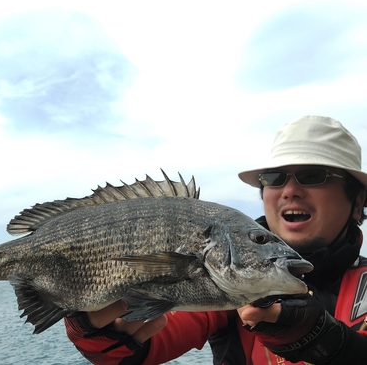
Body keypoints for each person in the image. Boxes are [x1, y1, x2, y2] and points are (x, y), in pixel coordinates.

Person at [64, 115, 367, 365]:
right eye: (274, 178)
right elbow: (139, 349)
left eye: (313, 175)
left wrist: (330, 342)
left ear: (357, 201)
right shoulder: (225, 277)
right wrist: (98, 332)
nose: (289, 190)